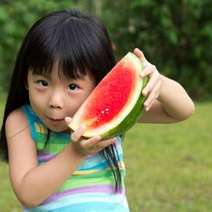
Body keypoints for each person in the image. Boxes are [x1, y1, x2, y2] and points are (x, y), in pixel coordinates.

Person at [0, 9, 195, 211]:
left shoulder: (112, 110)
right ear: (25, 78)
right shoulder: (22, 121)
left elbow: (182, 111)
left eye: (72, 87)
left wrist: (159, 82)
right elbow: (28, 195)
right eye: (42, 82)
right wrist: (75, 152)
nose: (55, 101)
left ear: (100, 83)